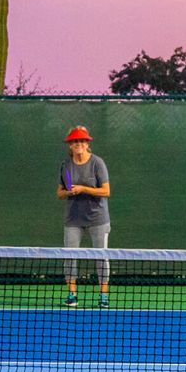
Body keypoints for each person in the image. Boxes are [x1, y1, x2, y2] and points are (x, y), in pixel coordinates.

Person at [56, 125, 111, 307]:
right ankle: (72, 295)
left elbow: (106, 191)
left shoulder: (97, 163)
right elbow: (60, 191)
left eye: (81, 141)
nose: (78, 144)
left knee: (101, 257)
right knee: (70, 256)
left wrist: (84, 189)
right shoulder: (66, 165)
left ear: (87, 143)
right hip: (73, 219)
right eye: (74, 141)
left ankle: (103, 295)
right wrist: (68, 193)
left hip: (98, 218)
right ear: (70, 145)